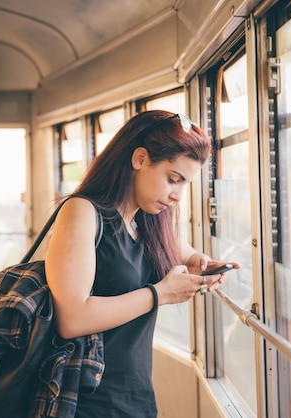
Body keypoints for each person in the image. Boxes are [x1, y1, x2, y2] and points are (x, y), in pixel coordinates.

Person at [44, 110, 239, 417]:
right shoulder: (81, 212)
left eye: (184, 184)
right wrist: (160, 294)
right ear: (140, 159)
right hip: (84, 400)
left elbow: (173, 247)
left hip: (135, 397)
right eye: (173, 179)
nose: (177, 195)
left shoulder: (144, 219)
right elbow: (71, 318)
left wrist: (196, 261)